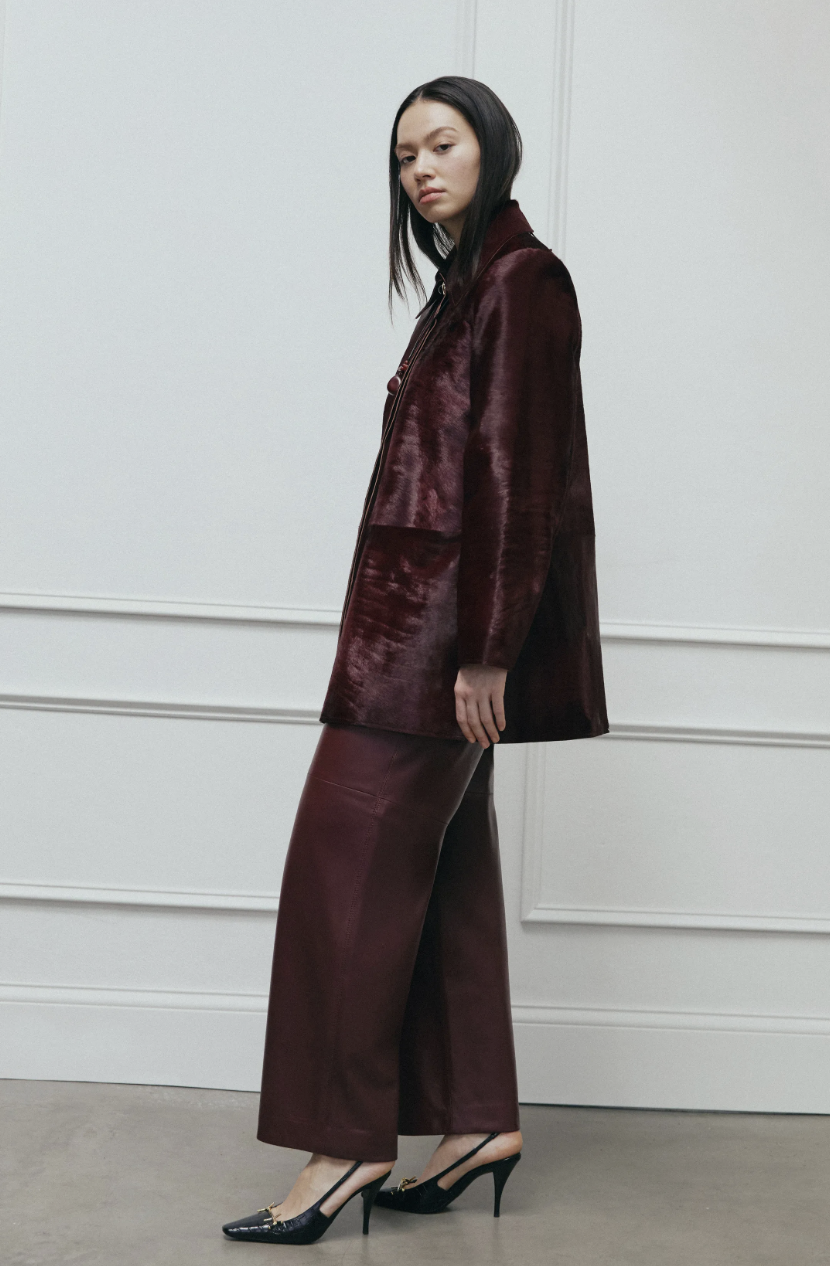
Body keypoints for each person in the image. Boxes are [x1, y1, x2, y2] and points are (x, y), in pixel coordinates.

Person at [222, 75, 608, 1247]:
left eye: (442, 144)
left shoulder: (520, 282)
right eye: (402, 157)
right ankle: (478, 1119)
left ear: (493, 148)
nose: (421, 169)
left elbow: (514, 477)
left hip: (437, 651)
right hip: (411, 640)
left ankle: (340, 1149)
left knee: (340, 881)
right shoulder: (462, 286)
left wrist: (484, 652)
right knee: (444, 883)